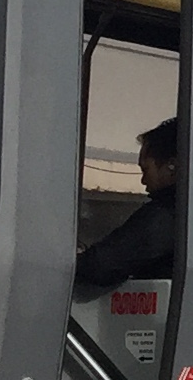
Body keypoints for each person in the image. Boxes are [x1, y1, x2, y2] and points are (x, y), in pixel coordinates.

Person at [74, 117, 181, 290]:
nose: (143, 180)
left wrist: (78, 261)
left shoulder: (164, 216)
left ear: (171, 166)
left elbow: (102, 265)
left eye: (146, 169)